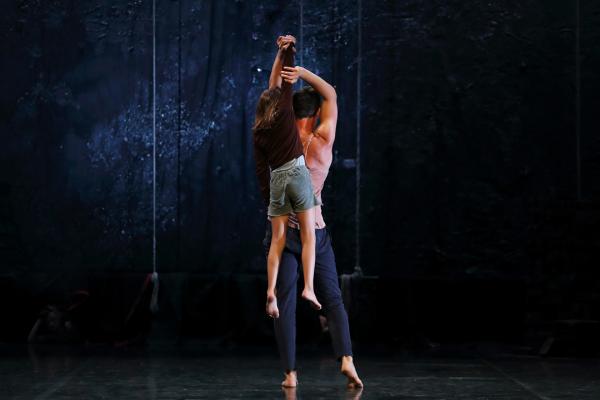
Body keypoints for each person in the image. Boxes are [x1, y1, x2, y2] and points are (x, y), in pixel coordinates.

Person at [261, 36, 364, 389]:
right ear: (316, 115)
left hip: (284, 231)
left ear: (291, 113)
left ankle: (290, 373)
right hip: (315, 232)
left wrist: (282, 56)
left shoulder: (281, 135)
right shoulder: (322, 141)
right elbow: (331, 94)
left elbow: (273, 89)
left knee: (285, 303)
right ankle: (346, 358)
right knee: (332, 298)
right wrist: (302, 71)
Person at [253, 35, 322, 319]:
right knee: (308, 235)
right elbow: (284, 80)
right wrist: (288, 51)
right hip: (297, 172)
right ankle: (309, 287)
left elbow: (261, 170)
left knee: (278, 240)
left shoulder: (259, 132)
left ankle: (271, 292)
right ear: (279, 102)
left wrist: (268, 198)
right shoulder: (285, 112)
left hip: (277, 180)